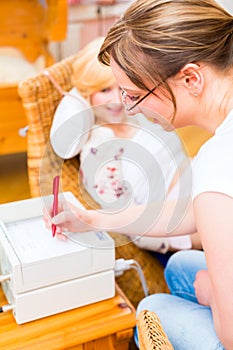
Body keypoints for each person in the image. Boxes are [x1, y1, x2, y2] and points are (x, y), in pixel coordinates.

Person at [44, 0, 233, 348]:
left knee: (153, 306)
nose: (128, 108)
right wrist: (93, 218)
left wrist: (213, 294)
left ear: (191, 78)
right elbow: (189, 212)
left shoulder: (216, 168)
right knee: (180, 268)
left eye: (134, 95)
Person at [50, 36, 201, 255]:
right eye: (103, 90)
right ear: (86, 95)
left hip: (203, 189)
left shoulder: (138, 115)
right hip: (185, 233)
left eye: (121, 88)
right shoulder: (99, 152)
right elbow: (132, 223)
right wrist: (195, 239)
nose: (117, 99)